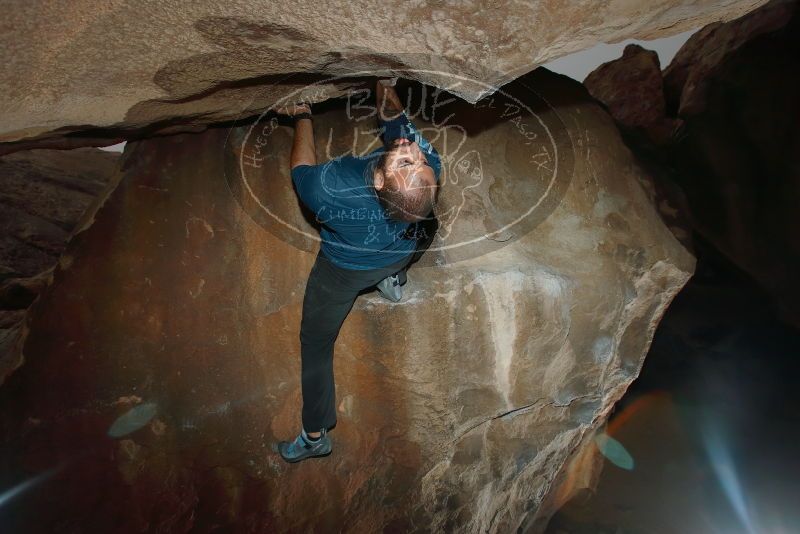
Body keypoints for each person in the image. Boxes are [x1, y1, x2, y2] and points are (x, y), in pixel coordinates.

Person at [274, 79, 442, 463]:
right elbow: (398, 123)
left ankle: (315, 435)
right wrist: (383, 83)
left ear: (381, 181)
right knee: (426, 227)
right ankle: (394, 277)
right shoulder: (429, 172)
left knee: (316, 344)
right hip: (399, 251)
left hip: (343, 272)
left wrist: (302, 115)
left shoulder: (331, 191)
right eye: (415, 161)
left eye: (407, 161)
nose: (413, 152)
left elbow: (301, 168)